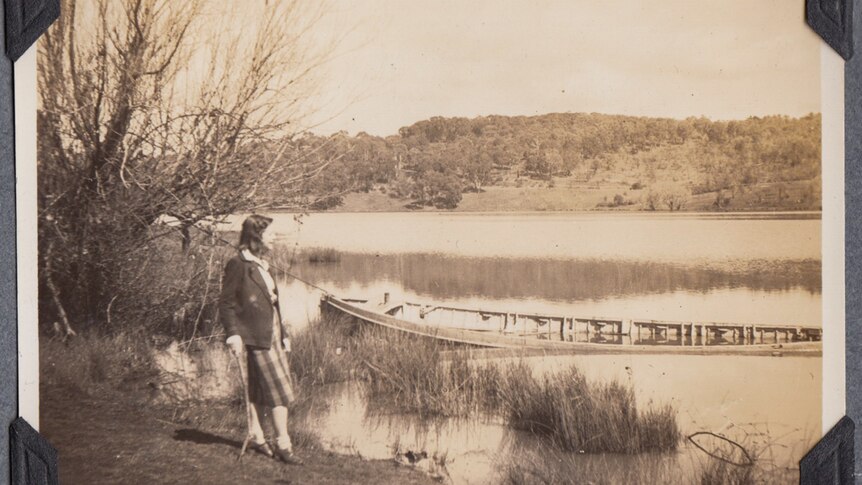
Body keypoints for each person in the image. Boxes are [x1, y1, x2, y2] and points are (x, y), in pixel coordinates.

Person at [219, 214, 303, 465]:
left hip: (272, 334)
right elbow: (226, 303)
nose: (275, 237)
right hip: (256, 337)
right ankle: (283, 444)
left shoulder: (261, 264)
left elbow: (274, 305)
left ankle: (257, 436)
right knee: (280, 392)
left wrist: (284, 335)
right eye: (270, 233)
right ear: (256, 237)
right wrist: (232, 333)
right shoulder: (239, 265)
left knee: (256, 391)